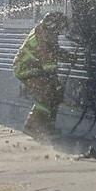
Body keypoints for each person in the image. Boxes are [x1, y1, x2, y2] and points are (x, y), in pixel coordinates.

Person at [12, 10, 68, 139]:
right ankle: (31, 127)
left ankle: (47, 127)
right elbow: (49, 65)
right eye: (60, 27)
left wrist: (67, 56)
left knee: (55, 94)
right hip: (25, 69)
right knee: (47, 93)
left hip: (37, 68)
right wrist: (55, 82)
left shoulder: (48, 33)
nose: (61, 31)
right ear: (54, 25)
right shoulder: (43, 39)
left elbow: (55, 51)